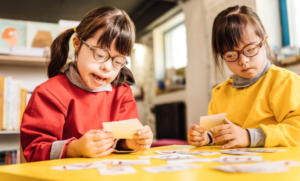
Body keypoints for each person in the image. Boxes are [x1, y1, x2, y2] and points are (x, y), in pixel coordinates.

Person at [21, 6, 153, 162]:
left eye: (118, 61)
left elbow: (121, 141)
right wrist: (75, 148)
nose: (107, 67)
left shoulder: (122, 92)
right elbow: (34, 149)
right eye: (100, 54)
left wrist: (131, 142)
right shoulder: (50, 93)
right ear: (77, 43)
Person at [187, 5, 300, 149]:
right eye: (231, 55)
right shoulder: (220, 93)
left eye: (250, 49)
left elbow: (297, 130)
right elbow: (219, 136)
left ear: (264, 42)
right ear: (222, 57)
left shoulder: (286, 82)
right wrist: (206, 137)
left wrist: (249, 136)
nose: (243, 60)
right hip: (235, 166)